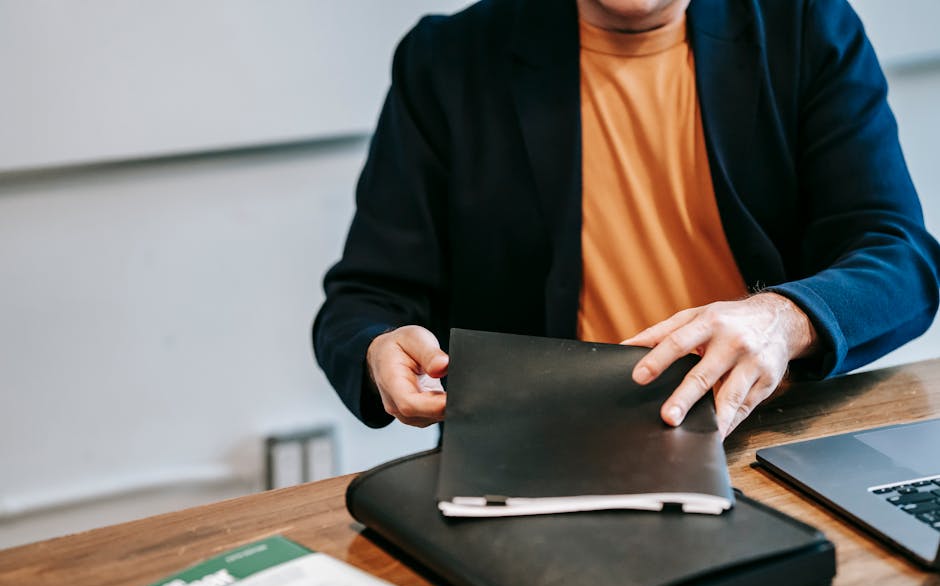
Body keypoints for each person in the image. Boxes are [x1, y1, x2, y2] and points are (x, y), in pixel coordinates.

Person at [313, 0, 940, 436]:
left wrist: (783, 319)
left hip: (762, 429)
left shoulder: (804, 27)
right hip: (537, 444)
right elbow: (364, 297)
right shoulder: (447, 60)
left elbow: (900, 259)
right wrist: (377, 348)